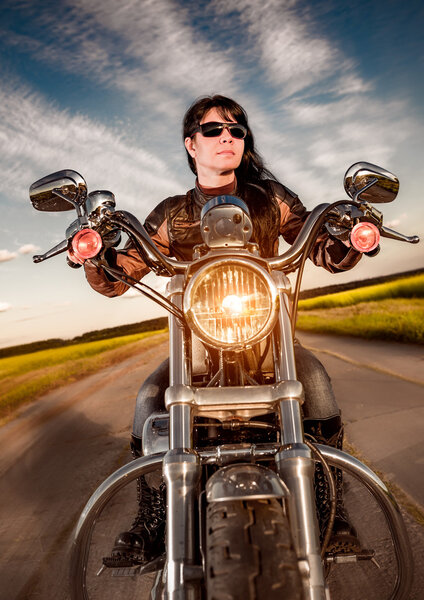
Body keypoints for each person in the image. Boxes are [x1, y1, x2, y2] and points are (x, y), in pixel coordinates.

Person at [83, 95, 363, 568]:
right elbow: (124, 270)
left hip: (272, 346)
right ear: (191, 144)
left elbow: (320, 247)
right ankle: (152, 518)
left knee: (314, 382)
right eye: (213, 130)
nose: (227, 137)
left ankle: (329, 511)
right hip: (197, 353)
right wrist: (95, 254)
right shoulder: (172, 213)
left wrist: (348, 232)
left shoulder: (271, 199)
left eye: (236, 129)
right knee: (150, 395)